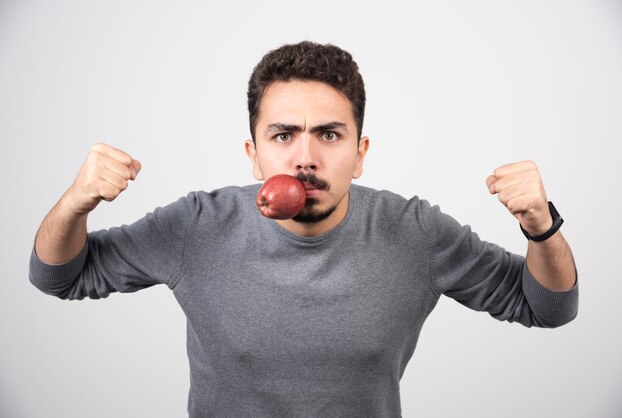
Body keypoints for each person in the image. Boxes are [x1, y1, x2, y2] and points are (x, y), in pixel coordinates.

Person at [29, 41, 578, 417]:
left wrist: (541, 225)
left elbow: (547, 307)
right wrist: (76, 202)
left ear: (360, 154)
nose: (305, 158)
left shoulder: (415, 232)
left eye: (330, 135)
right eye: (283, 135)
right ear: (253, 154)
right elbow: (60, 276)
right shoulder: (196, 225)